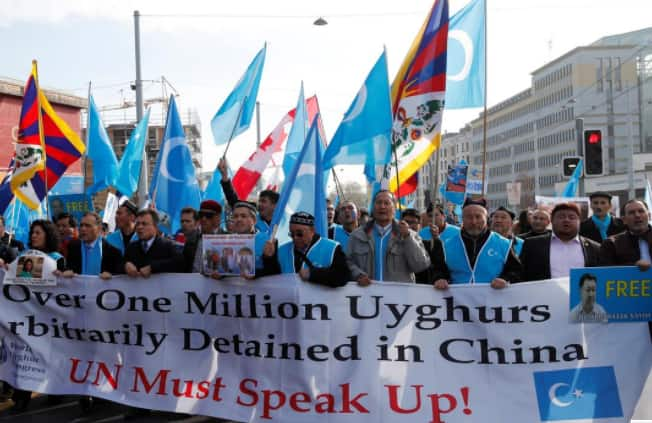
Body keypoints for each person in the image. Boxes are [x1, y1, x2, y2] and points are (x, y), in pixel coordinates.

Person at [7, 220, 64, 412]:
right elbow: (13, 280)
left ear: (48, 235)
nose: (33, 236)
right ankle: (22, 396)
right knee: (24, 356)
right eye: (32, 232)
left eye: (38, 232)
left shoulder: (58, 258)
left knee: (49, 356)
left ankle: (55, 390)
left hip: (49, 317)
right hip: (27, 316)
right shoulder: (24, 257)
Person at [431, 197, 521, 289]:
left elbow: (516, 271)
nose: (474, 222)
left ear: (486, 218)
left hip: (493, 299)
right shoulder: (446, 245)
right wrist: (439, 278)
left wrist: (505, 279)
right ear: (462, 219)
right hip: (457, 301)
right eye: (469, 217)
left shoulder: (504, 244)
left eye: (478, 217)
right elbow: (437, 270)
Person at [347, 190, 430, 284]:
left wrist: (408, 238)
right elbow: (348, 262)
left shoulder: (410, 234)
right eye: (378, 202)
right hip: (367, 294)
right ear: (373, 207)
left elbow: (420, 265)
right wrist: (358, 274)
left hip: (399, 296)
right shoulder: (357, 235)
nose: (382, 206)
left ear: (394, 208)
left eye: (386, 203)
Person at [262, 212, 350, 287]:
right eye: (291, 234)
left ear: (312, 231)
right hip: (290, 304)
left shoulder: (332, 247)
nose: (295, 238)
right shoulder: (282, 250)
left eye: (299, 234)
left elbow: (343, 276)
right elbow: (272, 277)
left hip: (320, 304)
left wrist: (313, 274)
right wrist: (268, 258)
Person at [519, 203, 601, 282]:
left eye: (572, 217)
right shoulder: (532, 245)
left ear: (579, 221)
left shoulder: (594, 248)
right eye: (561, 217)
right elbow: (519, 274)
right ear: (551, 220)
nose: (566, 220)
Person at [217, 158, 279, 236]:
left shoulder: (282, 223)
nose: (259, 204)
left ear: (275, 205)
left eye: (263, 201)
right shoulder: (253, 217)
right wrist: (225, 176)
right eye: (259, 201)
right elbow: (233, 200)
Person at [63, 212, 124, 279]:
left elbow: (120, 277)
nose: (83, 229)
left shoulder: (113, 252)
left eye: (88, 226)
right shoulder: (73, 247)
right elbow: (68, 268)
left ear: (99, 228)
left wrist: (111, 275)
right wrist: (65, 272)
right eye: (81, 225)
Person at [124, 209, 184, 277]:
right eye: (137, 224)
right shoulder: (132, 247)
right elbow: (118, 266)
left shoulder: (168, 246)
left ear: (155, 227)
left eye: (144, 224)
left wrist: (153, 267)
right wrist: (126, 265)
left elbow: (179, 263)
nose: (139, 227)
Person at [600, 199, 652, 271]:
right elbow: (606, 272)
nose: (637, 215)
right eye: (631, 213)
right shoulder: (611, 244)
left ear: (649, 216)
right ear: (624, 220)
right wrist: (633, 267)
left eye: (641, 211)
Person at [183, 200, 224, 273]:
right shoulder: (191, 238)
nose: (203, 219)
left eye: (208, 215)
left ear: (218, 217)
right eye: (201, 215)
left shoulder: (228, 239)